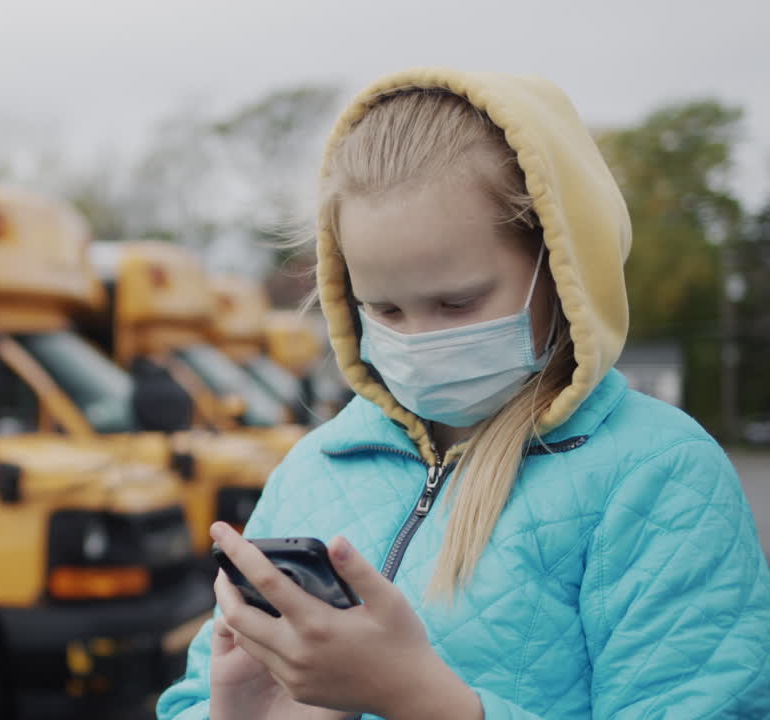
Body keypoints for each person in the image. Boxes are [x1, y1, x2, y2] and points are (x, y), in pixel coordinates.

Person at [156, 68, 770, 719]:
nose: (418, 341)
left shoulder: (658, 473)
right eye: (384, 310)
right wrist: (239, 714)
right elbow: (194, 695)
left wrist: (420, 698)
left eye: (457, 302)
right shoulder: (316, 468)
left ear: (559, 266)